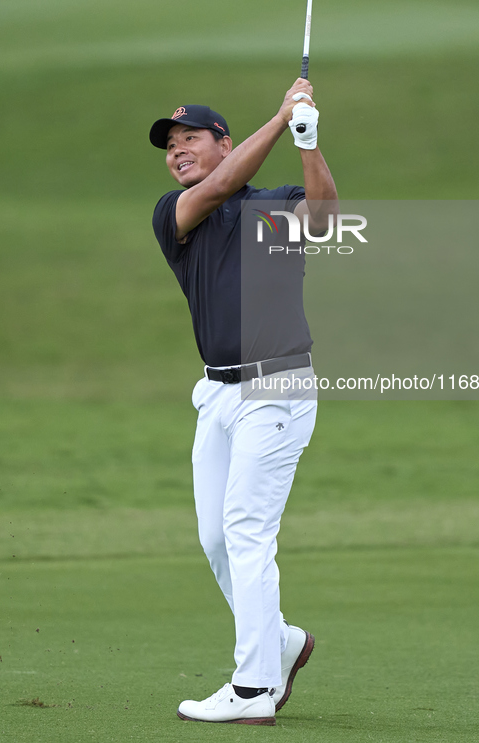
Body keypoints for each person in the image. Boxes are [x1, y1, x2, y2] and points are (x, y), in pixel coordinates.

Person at [150, 77, 338, 725]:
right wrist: (282, 115)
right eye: (169, 145)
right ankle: (280, 640)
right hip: (217, 393)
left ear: (222, 142)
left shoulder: (273, 206)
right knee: (215, 538)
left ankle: (255, 687)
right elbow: (219, 186)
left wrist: (306, 141)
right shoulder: (175, 213)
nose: (176, 152)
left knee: (246, 530)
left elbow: (324, 218)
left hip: (277, 385)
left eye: (189, 139)